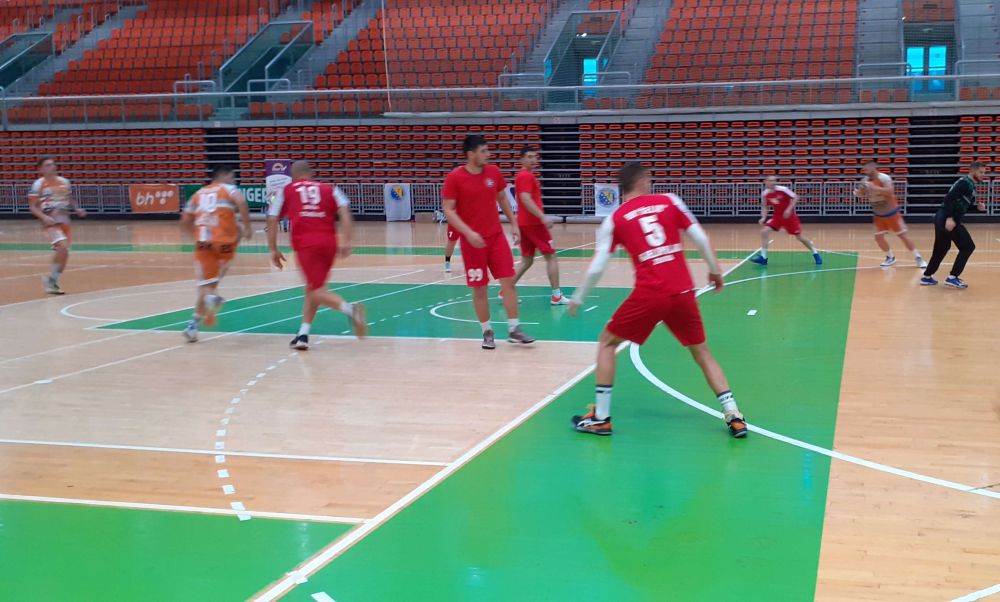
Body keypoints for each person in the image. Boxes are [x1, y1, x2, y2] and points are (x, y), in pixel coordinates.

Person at [568, 162, 748, 438]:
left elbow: (597, 266)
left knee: (606, 342)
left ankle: (601, 418)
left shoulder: (614, 219)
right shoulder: (670, 201)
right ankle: (734, 415)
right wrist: (714, 270)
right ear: (642, 180)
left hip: (650, 293)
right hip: (682, 291)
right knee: (702, 352)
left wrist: (578, 297)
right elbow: (700, 238)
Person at [442, 135, 535, 349]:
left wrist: (514, 223)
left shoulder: (493, 172)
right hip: (472, 243)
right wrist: (467, 232)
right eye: (483, 151)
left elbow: (502, 198)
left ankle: (514, 329)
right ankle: (487, 332)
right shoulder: (455, 178)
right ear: (471, 154)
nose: (488, 154)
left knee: (508, 282)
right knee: (480, 288)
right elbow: (448, 209)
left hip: (496, 238)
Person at [267, 160, 368, 350]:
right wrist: (347, 240)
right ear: (311, 174)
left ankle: (351, 310)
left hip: (306, 244)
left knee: (315, 290)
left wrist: (273, 249)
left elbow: (272, 219)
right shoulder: (330, 189)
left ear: (293, 176)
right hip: (329, 243)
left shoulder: (286, 190)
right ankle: (303, 334)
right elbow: (345, 212)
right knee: (313, 287)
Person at [180, 166, 252, 342]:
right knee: (209, 285)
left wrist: (194, 235)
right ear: (224, 175)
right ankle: (193, 325)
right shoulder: (228, 189)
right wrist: (247, 227)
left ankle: (210, 301)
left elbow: (185, 220)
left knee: (206, 286)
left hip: (204, 245)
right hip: (225, 245)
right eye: (232, 177)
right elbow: (241, 202)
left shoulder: (198, 194)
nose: (234, 181)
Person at [510, 145, 569, 304]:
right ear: (521, 159)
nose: (532, 160)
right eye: (529, 157)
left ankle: (506, 290)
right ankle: (556, 295)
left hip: (524, 223)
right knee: (551, 256)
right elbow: (525, 198)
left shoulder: (523, 175)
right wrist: (542, 217)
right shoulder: (525, 176)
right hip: (534, 224)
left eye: (534, 157)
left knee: (527, 260)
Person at [921, 162, 988, 289]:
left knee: (942, 248)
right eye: (981, 172)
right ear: (972, 171)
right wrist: (950, 218)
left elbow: (964, 206)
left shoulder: (970, 185)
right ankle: (953, 277)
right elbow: (949, 199)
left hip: (941, 217)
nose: (983, 175)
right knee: (968, 247)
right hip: (947, 217)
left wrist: (977, 208)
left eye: (984, 172)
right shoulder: (965, 183)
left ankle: (927, 276)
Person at [27, 156, 85, 295]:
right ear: (41, 169)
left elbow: (69, 198)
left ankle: (52, 281)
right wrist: (44, 217)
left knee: (64, 253)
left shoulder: (64, 182)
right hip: (51, 222)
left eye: (53, 164)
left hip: (65, 220)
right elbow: (33, 206)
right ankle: (52, 283)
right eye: (48, 165)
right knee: (63, 248)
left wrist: (77, 208)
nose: (52, 167)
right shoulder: (38, 185)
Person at [855, 160, 926, 268]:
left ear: (874, 169)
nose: (866, 172)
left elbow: (890, 191)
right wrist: (859, 192)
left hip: (892, 214)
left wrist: (875, 188)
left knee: (902, 236)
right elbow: (861, 194)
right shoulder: (865, 180)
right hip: (878, 215)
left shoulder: (884, 178)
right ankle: (890, 257)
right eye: (865, 170)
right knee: (878, 237)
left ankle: (918, 257)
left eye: (868, 170)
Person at [749, 176, 822, 266]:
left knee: (800, 237)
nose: (773, 182)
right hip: (777, 217)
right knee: (764, 232)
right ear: (766, 182)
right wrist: (763, 217)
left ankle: (815, 253)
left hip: (789, 217)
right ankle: (763, 258)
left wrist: (788, 209)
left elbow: (796, 197)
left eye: (774, 180)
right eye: (771, 181)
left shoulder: (783, 189)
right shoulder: (765, 194)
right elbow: (765, 206)